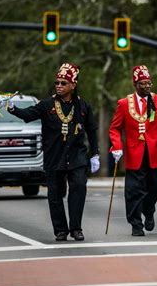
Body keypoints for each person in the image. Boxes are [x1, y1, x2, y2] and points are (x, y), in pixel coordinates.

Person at [7, 63, 100, 242]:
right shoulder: (46, 105)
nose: (59, 85)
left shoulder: (83, 106)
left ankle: (76, 228)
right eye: (57, 82)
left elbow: (92, 130)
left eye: (63, 83)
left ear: (73, 85)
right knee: (55, 194)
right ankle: (60, 230)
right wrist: (13, 109)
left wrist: (95, 154)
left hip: (77, 156)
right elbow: (28, 115)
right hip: (54, 157)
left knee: (79, 187)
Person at [109, 65, 157, 236]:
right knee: (134, 191)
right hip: (134, 155)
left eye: (149, 83)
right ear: (135, 84)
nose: (147, 86)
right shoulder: (124, 104)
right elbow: (114, 128)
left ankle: (149, 211)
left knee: (155, 187)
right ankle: (136, 224)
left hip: (154, 154)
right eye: (143, 83)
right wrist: (117, 146)